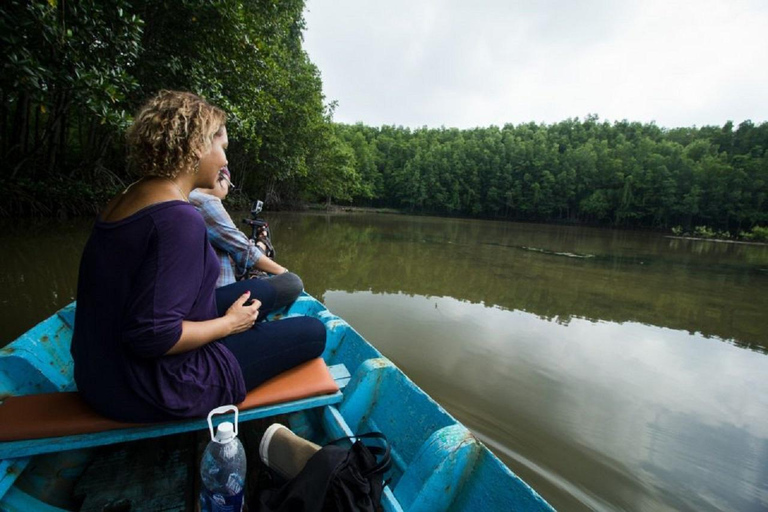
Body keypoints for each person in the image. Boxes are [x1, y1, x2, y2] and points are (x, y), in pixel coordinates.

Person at [70, 90, 326, 423]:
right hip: (145, 385)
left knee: (265, 291)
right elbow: (153, 337)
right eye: (222, 147)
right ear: (196, 146)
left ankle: (245, 325)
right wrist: (228, 325)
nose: (225, 160)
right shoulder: (178, 219)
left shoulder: (127, 196)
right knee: (313, 332)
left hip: (97, 372)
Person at [189, 167, 302, 311]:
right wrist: (284, 272)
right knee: (293, 282)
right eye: (230, 186)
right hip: (213, 297)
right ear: (222, 180)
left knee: (255, 250)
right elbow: (246, 252)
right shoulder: (206, 202)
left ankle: (262, 241)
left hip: (198, 293)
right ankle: (263, 242)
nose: (227, 192)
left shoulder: (186, 196)